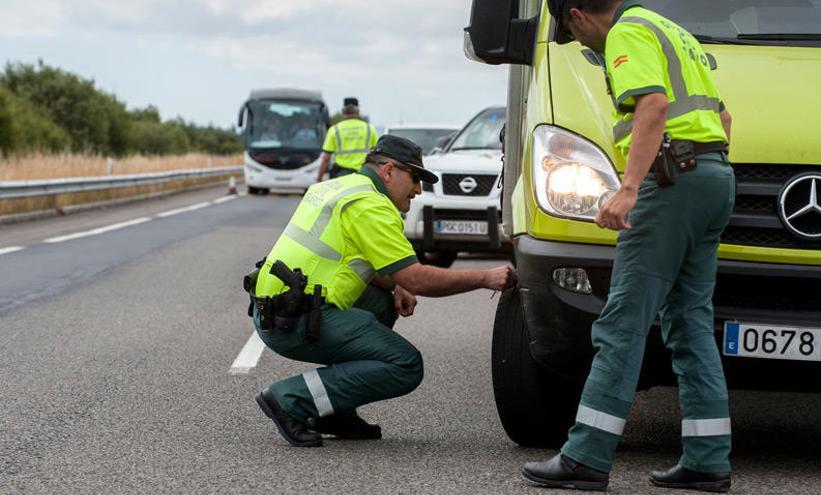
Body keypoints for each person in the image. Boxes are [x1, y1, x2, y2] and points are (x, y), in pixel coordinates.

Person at [522, 1, 735, 492]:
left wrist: (631, 187)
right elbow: (723, 119)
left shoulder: (626, 32)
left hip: (671, 183)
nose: (582, 45)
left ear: (576, 16)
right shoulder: (673, 31)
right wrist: (707, 175)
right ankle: (707, 460)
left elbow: (654, 105)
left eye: (574, 36)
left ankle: (586, 458)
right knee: (691, 323)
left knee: (622, 323)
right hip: (712, 177)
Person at [251, 135, 516, 447]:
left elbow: (355, 259)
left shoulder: (337, 187)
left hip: (275, 308)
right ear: (389, 171)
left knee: (382, 304)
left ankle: (334, 410)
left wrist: (397, 284)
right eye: (415, 178)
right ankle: (289, 399)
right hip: (293, 321)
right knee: (404, 364)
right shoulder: (371, 206)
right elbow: (418, 278)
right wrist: (486, 277)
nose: (418, 190)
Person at [317, 97, 379, 181]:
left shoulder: (335, 130)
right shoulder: (369, 129)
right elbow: (378, 155)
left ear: (343, 112)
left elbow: (326, 158)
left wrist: (319, 178)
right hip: (363, 175)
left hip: (341, 176)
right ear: (358, 111)